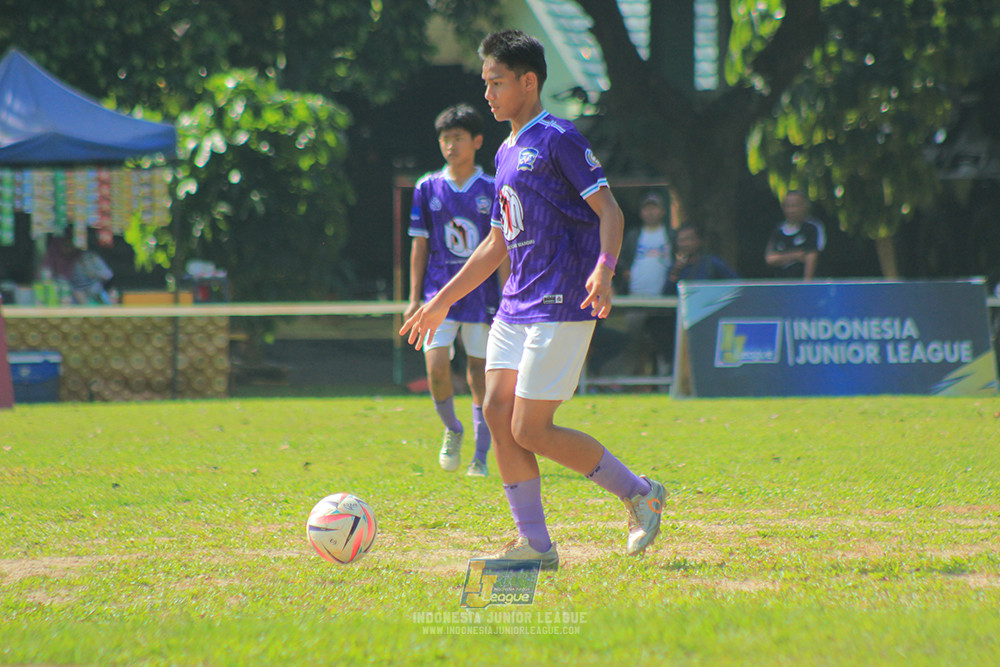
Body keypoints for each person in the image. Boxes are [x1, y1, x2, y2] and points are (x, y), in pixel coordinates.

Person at [401, 29, 665, 570]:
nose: (488, 94)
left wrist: (605, 268)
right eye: (485, 83)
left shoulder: (558, 138)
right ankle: (536, 546)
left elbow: (610, 211)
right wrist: (440, 300)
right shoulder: (503, 152)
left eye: (497, 82)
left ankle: (640, 493)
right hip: (515, 305)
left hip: (561, 303)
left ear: (528, 82)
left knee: (530, 428)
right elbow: (496, 243)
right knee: (498, 414)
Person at [405, 103, 507, 477]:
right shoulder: (427, 187)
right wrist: (414, 298)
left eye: (458, 138)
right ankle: (453, 428)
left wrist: (507, 295)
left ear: (476, 141)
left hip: (482, 295)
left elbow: (502, 248)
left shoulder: (492, 188)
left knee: (479, 373)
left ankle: (481, 456)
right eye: (445, 139)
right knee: (436, 367)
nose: (450, 145)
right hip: (438, 292)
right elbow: (419, 244)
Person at [617, 191, 674, 378]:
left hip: (664, 302)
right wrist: (625, 273)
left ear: (662, 211)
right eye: (646, 208)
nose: (650, 212)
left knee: (664, 343)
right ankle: (627, 382)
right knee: (632, 344)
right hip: (636, 299)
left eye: (654, 208)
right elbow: (621, 260)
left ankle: (664, 381)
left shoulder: (670, 236)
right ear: (641, 213)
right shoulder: (633, 236)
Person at [764, 190, 826, 280]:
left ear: (805, 206)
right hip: (783, 283)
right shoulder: (778, 230)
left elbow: (812, 256)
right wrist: (795, 255)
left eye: (795, 206)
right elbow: (770, 259)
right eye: (788, 206)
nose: (791, 210)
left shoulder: (812, 228)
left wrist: (806, 284)